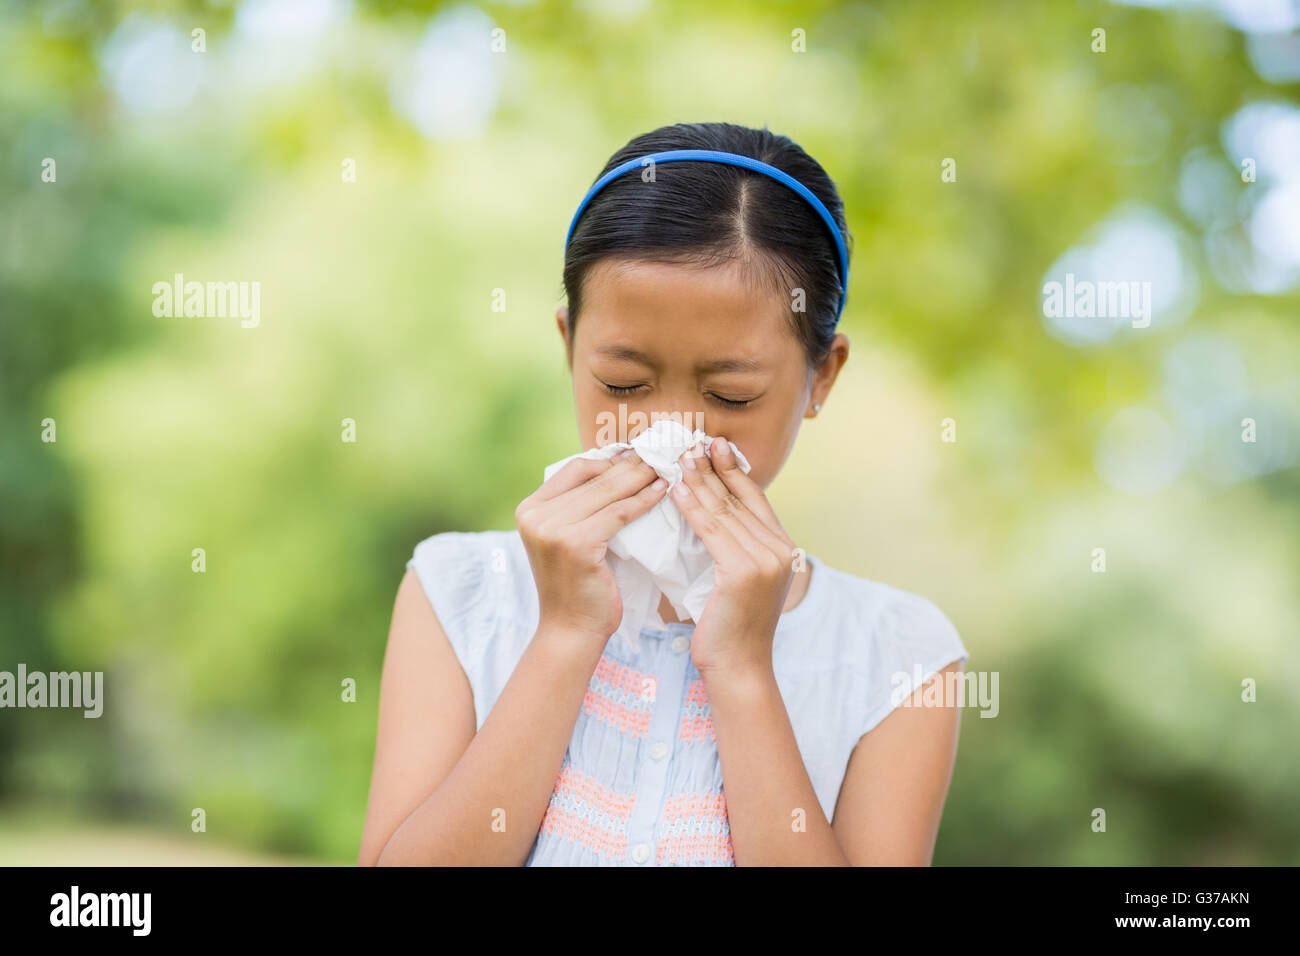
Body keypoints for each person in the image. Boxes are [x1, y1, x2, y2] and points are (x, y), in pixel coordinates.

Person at [358, 121, 970, 866]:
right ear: (567, 346)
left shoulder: (901, 657)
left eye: (730, 393)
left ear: (822, 378)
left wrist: (743, 669)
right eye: (624, 385)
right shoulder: (457, 593)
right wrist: (563, 637)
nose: (669, 431)